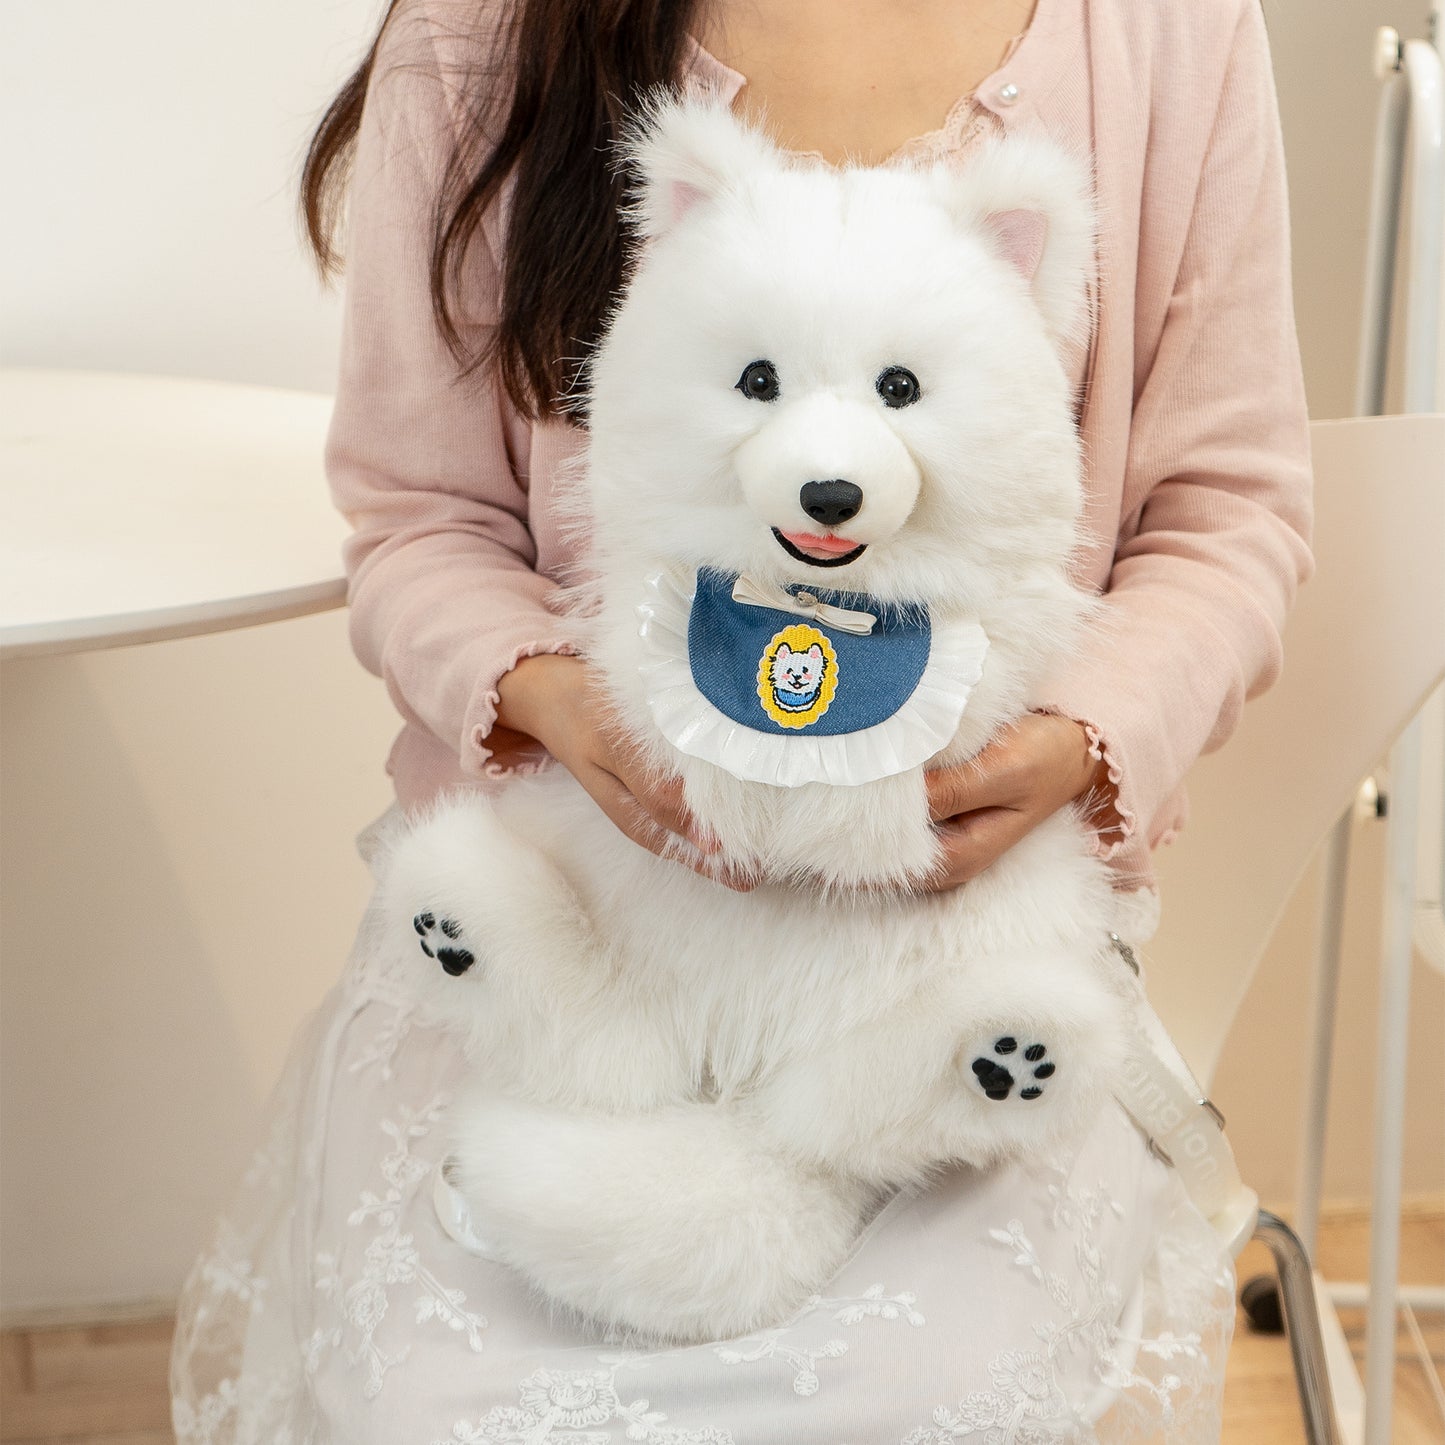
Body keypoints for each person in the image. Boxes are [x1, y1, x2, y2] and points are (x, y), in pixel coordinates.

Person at [170, 0, 1312, 1439]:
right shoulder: (484, 29)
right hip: (584, 884)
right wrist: (559, 705)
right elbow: (415, 517)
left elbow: (1228, 515)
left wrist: (1071, 745)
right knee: (447, 1397)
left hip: (939, 939)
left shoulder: (1167, 31)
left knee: (928, 1392)